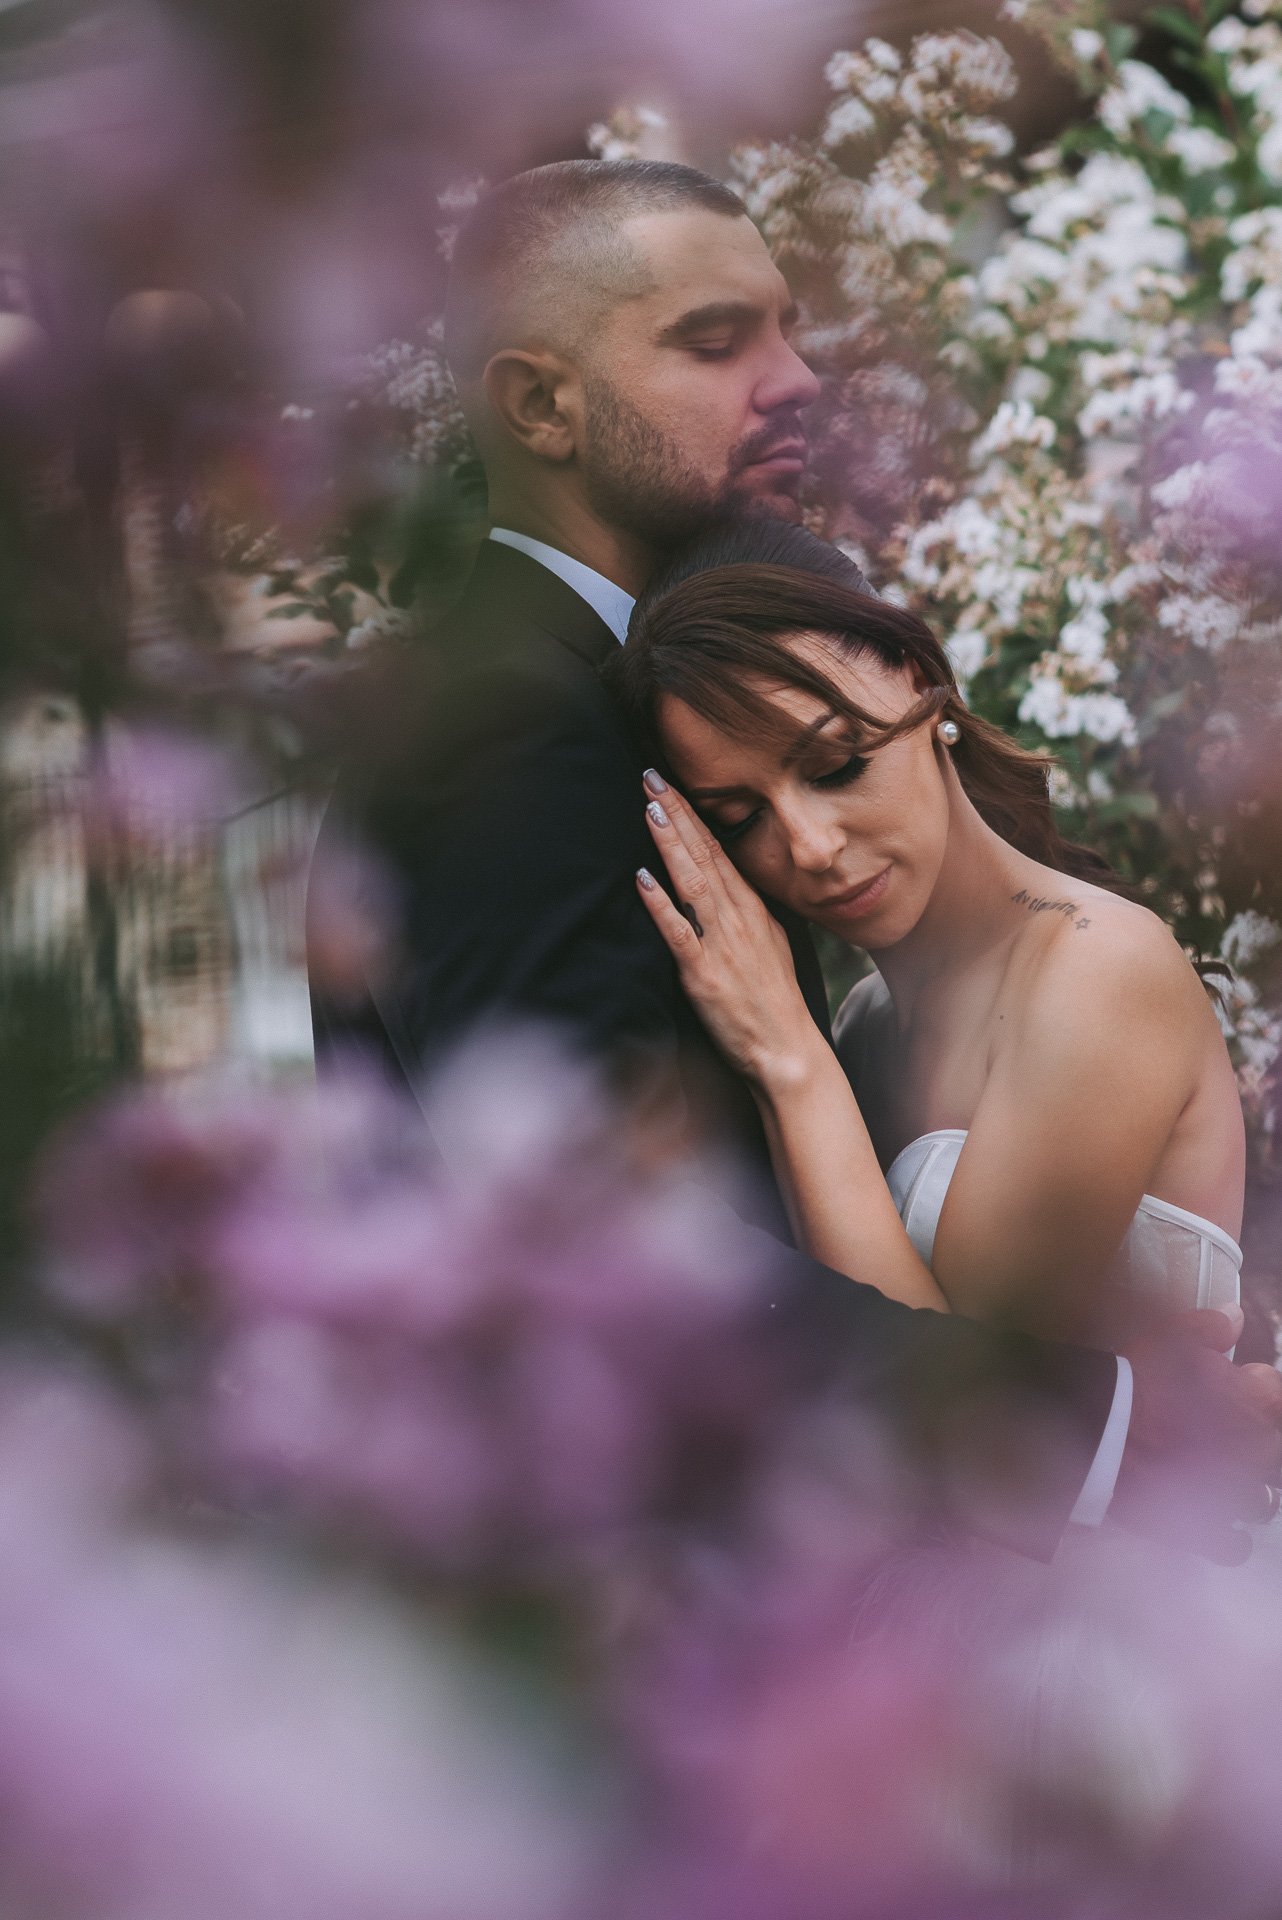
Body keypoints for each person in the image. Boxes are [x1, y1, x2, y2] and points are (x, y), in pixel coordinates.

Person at [308, 157, 1281, 1564]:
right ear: (537, 404)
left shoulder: (615, 696)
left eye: (786, 325)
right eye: (716, 340)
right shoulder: (514, 726)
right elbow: (590, 1236)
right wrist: (1130, 1426)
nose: (798, 377)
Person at [615, 516, 1246, 1359]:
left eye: (837, 765)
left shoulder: (1099, 967)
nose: (810, 846)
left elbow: (960, 1409)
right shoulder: (865, 1025)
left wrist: (792, 1068)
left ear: (920, 683)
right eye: (740, 818)